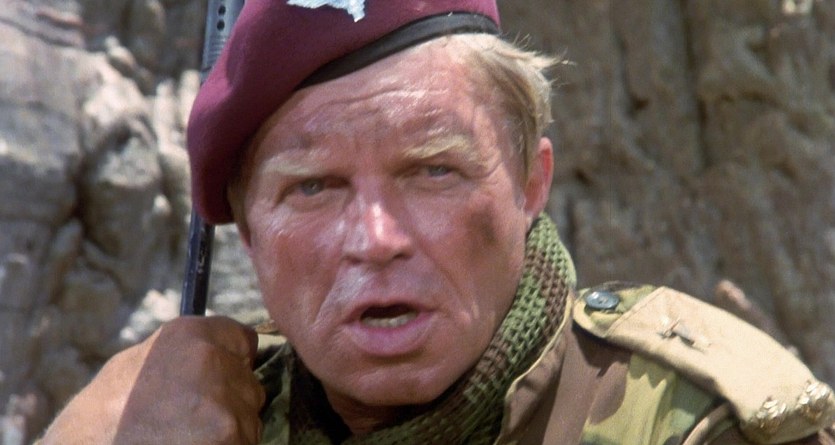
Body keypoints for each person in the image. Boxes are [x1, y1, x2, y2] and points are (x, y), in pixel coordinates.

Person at [39, 1, 835, 444]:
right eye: (313, 187)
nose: (376, 238)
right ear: (248, 231)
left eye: (432, 172)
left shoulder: (692, 424)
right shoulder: (198, 422)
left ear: (529, 182)